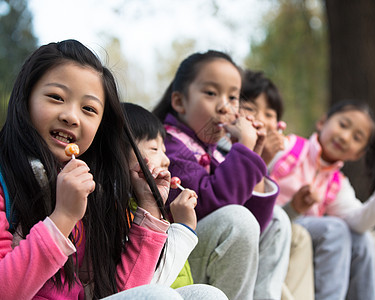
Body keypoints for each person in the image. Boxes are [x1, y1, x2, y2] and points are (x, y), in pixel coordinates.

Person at [0, 39, 213, 300]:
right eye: (56, 97)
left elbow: (126, 293)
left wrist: (149, 205)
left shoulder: (93, 189)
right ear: (25, 99)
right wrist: (63, 217)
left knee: (204, 295)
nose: (71, 116)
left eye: (89, 109)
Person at [153, 50, 291, 300]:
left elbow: (255, 224)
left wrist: (255, 152)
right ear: (179, 101)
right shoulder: (168, 147)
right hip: (173, 264)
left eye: (233, 97)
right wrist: (244, 150)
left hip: (200, 251)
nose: (224, 106)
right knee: (236, 220)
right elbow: (212, 206)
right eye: (211, 93)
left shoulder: (210, 150)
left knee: (278, 220)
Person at [267, 99, 375, 300]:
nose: (344, 136)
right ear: (322, 122)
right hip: (274, 224)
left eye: (356, 137)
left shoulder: (337, 184)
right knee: (336, 228)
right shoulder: (288, 148)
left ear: (358, 154)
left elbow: (359, 222)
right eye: (343, 125)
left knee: (362, 239)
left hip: (305, 237)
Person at [121, 102, 226, 299]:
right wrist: (184, 228)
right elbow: (146, 288)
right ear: (117, 153)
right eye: (154, 148)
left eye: (164, 150)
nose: (166, 160)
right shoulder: (118, 215)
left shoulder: (149, 208)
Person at [238, 69, 314, 300]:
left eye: (269, 114)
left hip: (262, 235)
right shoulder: (227, 149)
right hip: (237, 241)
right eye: (250, 109)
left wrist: (294, 208)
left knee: (299, 234)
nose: (261, 119)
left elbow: (270, 220)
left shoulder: (282, 161)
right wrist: (261, 159)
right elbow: (245, 213)